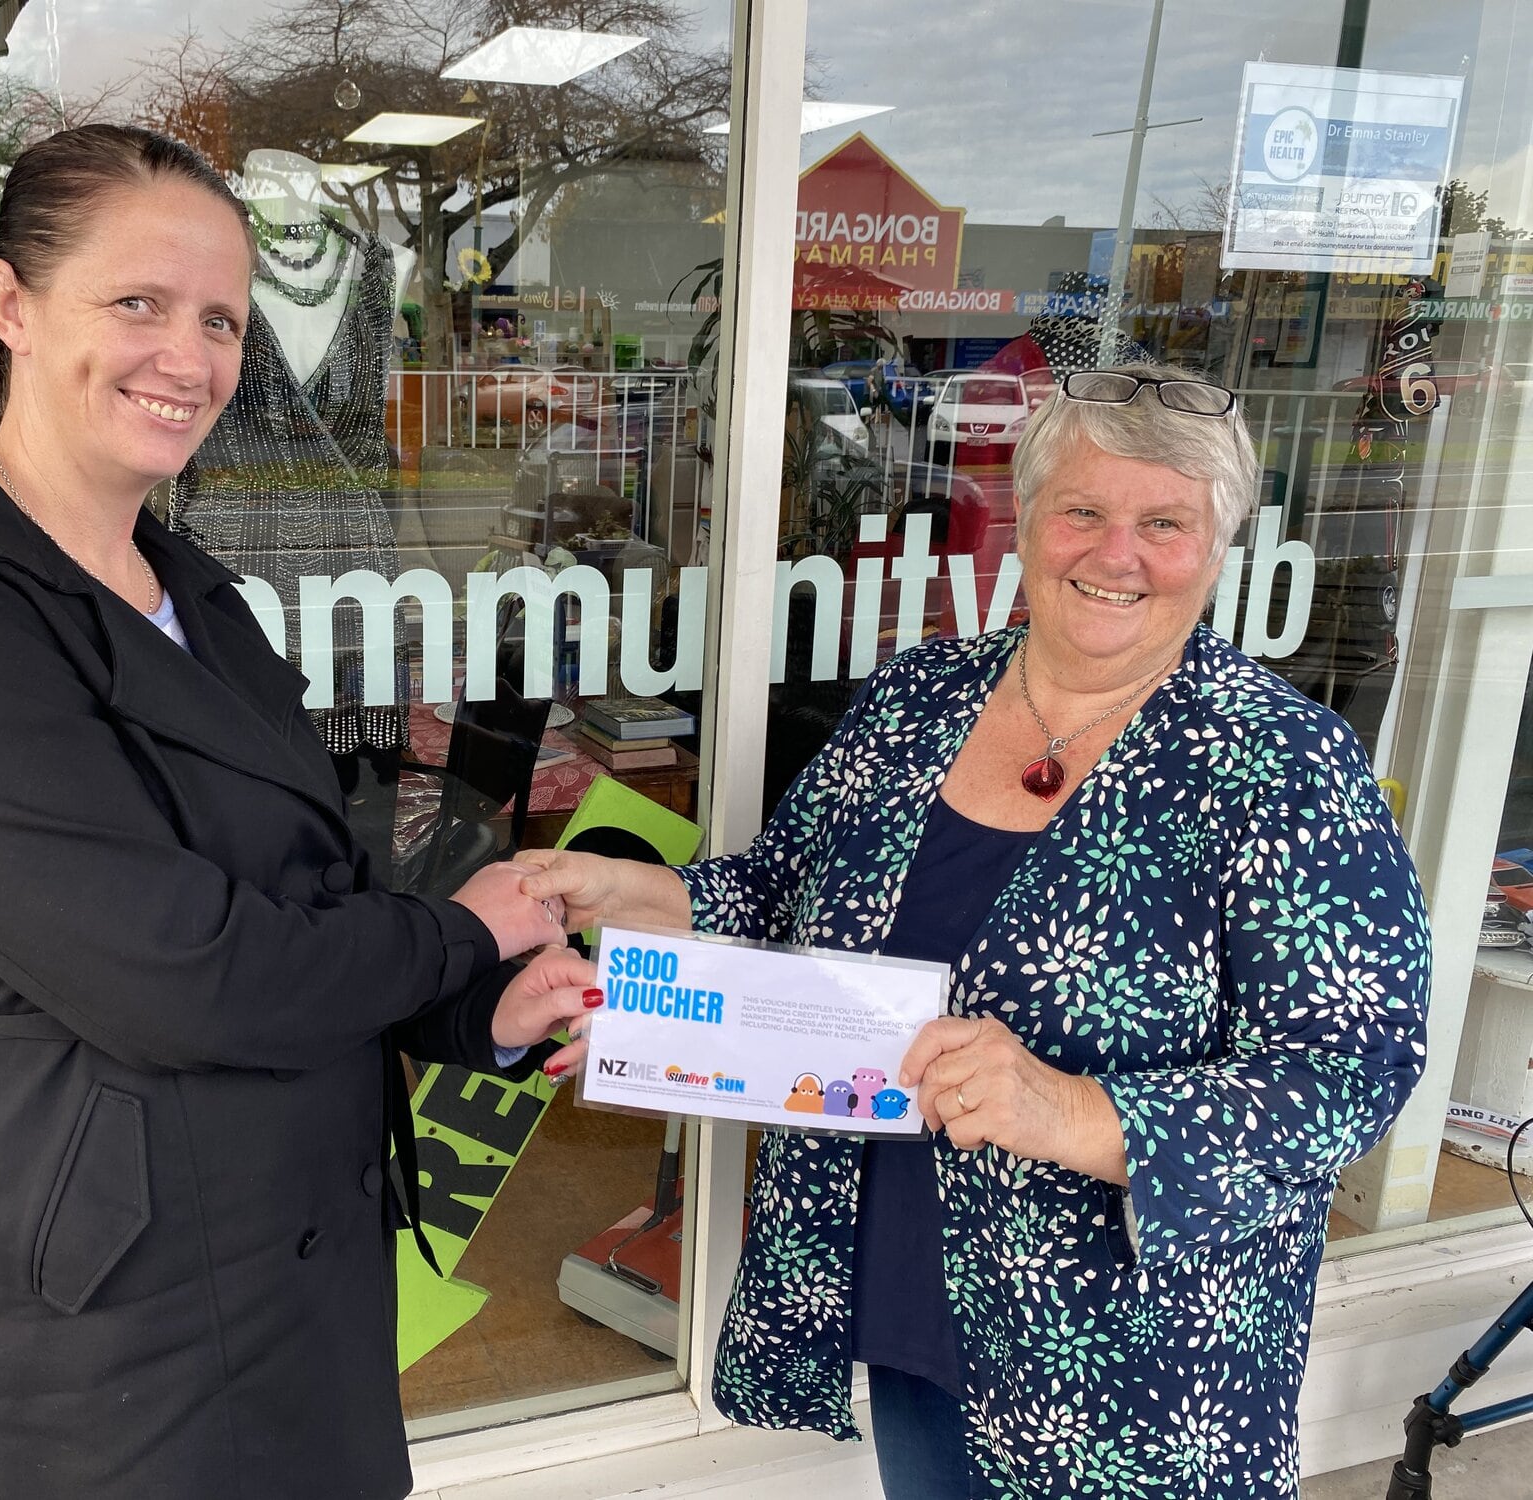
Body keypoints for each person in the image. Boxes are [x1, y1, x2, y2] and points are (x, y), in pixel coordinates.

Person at [0, 124, 594, 1500]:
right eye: (139, 303)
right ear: (9, 304)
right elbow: (185, 972)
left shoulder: (193, 591)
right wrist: (459, 941)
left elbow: (302, 898)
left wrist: (475, 1015)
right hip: (127, 1294)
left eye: (222, 319)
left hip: (296, 1245)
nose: (191, 356)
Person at [520, 362, 1430, 1499]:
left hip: (1131, 1365)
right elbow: (786, 890)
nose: (1115, 554)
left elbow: (1352, 1066)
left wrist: (1071, 1109)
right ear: (1025, 520)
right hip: (912, 1292)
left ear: (1215, 546)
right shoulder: (918, 700)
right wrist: (637, 897)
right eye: (1082, 511)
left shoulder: (1280, 765)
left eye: (1162, 523)